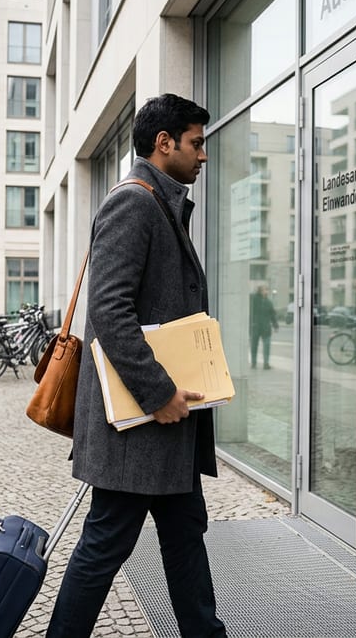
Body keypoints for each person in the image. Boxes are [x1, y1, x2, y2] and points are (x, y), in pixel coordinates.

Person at [47, 93, 224, 638]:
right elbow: (109, 311)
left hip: (163, 430)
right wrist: (158, 392)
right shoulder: (136, 202)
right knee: (105, 545)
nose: (203, 155)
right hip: (139, 425)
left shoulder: (163, 203)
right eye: (196, 143)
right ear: (163, 143)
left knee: (184, 534)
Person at [249, 285, 278, 370]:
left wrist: (275, 325)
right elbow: (250, 313)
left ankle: (266, 364)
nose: (266, 292)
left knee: (267, 346)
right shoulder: (254, 300)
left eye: (267, 290)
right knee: (254, 346)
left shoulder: (269, 302)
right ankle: (253, 363)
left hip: (266, 328)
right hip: (256, 327)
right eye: (264, 290)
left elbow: (272, 315)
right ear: (260, 291)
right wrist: (250, 326)